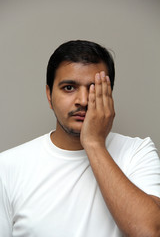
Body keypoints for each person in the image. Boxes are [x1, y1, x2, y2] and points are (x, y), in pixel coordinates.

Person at [0, 40, 160, 237]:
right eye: (69, 88)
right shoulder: (7, 166)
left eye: (94, 88)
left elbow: (150, 232)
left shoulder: (137, 152)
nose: (83, 100)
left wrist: (94, 143)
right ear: (49, 95)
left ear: (108, 94)